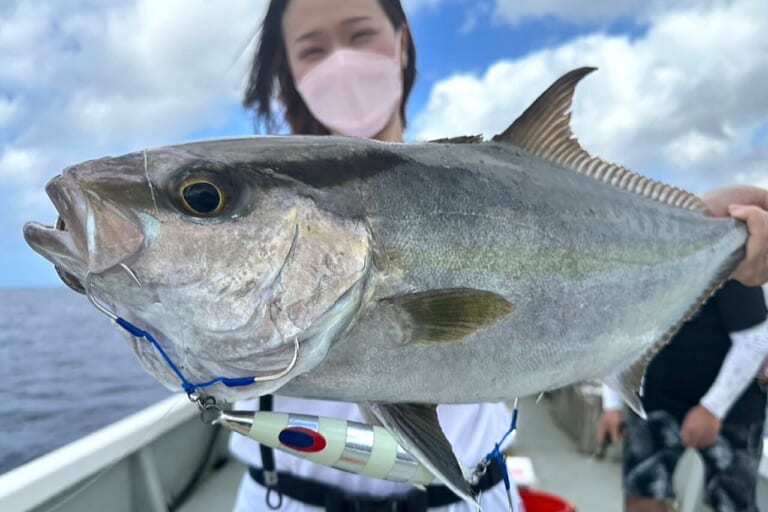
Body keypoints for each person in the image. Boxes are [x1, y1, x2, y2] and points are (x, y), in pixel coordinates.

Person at [227, 1, 523, 510]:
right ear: (291, 73)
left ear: (401, 42)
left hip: (465, 497)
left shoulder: (484, 192)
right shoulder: (252, 198)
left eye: (359, 35)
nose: (340, 62)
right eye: (313, 50)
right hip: (286, 497)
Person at [598, 279, 768, 512]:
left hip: (732, 406)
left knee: (732, 505)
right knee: (641, 496)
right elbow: (617, 331)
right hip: (656, 397)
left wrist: (712, 409)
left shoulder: (731, 265)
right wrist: (612, 404)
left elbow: (756, 340)